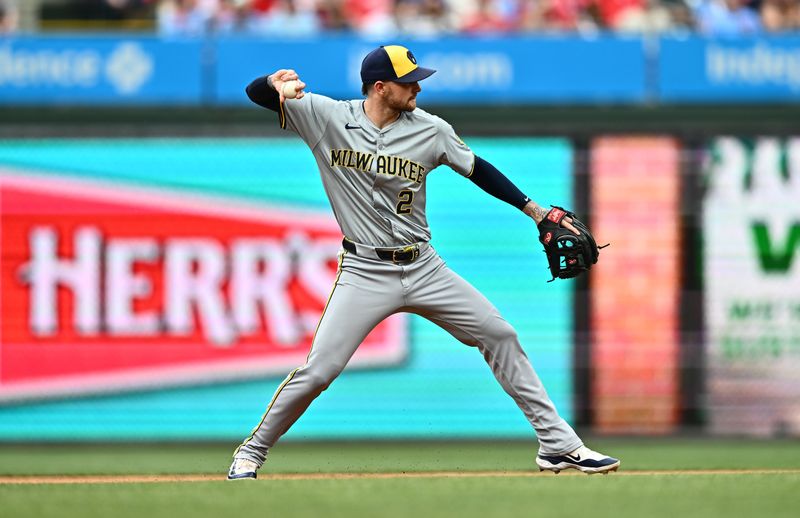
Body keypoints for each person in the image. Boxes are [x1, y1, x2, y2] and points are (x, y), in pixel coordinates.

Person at [228, 45, 620, 479]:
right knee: (320, 371)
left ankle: (558, 444)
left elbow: (478, 169)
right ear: (380, 87)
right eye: (408, 81)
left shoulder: (431, 130)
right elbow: (257, 94)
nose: (417, 86)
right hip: (365, 270)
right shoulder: (326, 116)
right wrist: (272, 84)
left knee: (499, 334)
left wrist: (535, 212)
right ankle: (252, 450)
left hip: (424, 267)